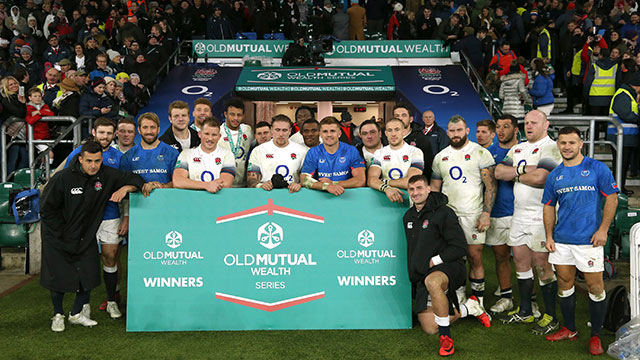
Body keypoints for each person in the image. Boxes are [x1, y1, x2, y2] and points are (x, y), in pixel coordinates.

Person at [41, 140, 145, 332]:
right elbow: (46, 209)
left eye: (97, 161)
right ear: (80, 159)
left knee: (89, 275)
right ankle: (58, 314)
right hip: (57, 235)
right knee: (58, 278)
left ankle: (75, 314)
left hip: (86, 235)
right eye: (89, 161)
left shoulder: (106, 176)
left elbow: (135, 179)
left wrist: (126, 188)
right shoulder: (63, 178)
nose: (93, 165)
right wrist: (61, 234)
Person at [542, 126, 618, 356]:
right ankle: (570, 328)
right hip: (562, 240)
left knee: (595, 287)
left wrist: (603, 229)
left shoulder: (596, 168)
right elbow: (548, 206)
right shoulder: (555, 175)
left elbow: (612, 199)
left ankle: (595, 335)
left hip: (589, 241)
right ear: (558, 144)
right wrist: (548, 236)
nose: (567, 147)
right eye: (563, 142)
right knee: (565, 283)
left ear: (580, 144)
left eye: (571, 143)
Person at [404, 174, 489, 357]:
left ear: (428, 189)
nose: (415, 193)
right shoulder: (408, 216)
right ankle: (469, 307)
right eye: (411, 189)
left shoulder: (444, 212)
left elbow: (459, 247)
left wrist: (436, 260)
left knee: (433, 282)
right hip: (423, 275)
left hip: (449, 267)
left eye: (419, 188)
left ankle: (446, 339)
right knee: (429, 328)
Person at [495, 110, 561, 335]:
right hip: (519, 214)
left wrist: (514, 173)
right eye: (527, 122)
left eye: (534, 122)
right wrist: (525, 171)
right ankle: (525, 311)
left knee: (542, 265)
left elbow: (542, 178)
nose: (529, 126)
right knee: (521, 263)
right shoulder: (517, 148)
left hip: (542, 215)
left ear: (546, 124)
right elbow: (498, 171)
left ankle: (550, 315)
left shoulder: (550, 147)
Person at [431, 115, 496, 317]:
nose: (455, 134)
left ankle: (479, 304)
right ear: (447, 131)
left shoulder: (480, 153)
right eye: (452, 131)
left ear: (466, 131)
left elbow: (491, 186)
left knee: (475, 257)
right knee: (452, 258)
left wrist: (486, 213)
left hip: (473, 214)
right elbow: (435, 188)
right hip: (449, 216)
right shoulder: (440, 156)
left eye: (459, 130)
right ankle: (458, 298)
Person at [64, 118, 127, 318]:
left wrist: (125, 212)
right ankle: (83, 305)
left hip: (109, 214)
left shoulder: (118, 157)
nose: (105, 137)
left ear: (114, 134)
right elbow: (65, 182)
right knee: (85, 259)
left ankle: (111, 301)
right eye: (101, 132)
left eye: (109, 133)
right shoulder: (77, 154)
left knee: (110, 256)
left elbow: (126, 185)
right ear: (93, 131)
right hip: (83, 218)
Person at [486, 114, 519, 314]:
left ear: (515, 129)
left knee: (526, 259)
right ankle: (506, 296)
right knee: (501, 257)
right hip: (497, 212)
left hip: (520, 213)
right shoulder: (488, 153)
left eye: (505, 126)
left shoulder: (524, 150)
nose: (501, 130)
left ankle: (529, 301)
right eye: (498, 126)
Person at [300, 116, 366, 196]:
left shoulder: (351, 151)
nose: (329, 135)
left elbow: (360, 180)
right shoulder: (313, 152)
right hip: (321, 197)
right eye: (325, 131)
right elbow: (304, 179)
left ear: (339, 133)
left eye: (332, 131)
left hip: (346, 196)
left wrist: (333, 183)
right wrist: (326, 186)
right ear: (320, 134)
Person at [367, 118, 423, 203]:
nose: (393, 134)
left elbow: (412, 181)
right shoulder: (379, 153)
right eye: (390, 130)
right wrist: (387, 188)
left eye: (397, 130)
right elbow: (371, 180)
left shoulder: (415, 152)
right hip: (386, 200)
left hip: (410, 201)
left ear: (404, 132)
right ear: (385, 133)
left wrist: (385, 182)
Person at [173, 117, 236, 193]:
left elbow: (226, 184)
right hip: (193, 200)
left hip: (218, 200)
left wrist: (192, 184)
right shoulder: (186, 154)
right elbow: (178, 181)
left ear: (219, 136)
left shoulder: (227, 155)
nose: (210, 138)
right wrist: (206, 185)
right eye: (206, 134)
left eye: (214, 135)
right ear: (199, 134)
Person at [247, 115, 307, 192]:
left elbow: (308, 177)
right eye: (277, 130)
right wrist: (260, 185)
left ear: (290, 131)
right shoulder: (258, 151)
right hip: (266, 193)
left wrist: (300, 185)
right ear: (271, 130)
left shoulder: (302, 151)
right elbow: (251, 180)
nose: (281, 134)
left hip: (292, 194)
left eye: (284, 130)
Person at [120, 112, 179, 190]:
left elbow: (178, 182)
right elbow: (123, 183)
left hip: (165, 200)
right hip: (137, 201)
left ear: (158, 129)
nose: (149, 131)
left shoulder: (172, 153)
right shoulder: (128, 156)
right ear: (139, 130)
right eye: (145, 127)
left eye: (152, 127)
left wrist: (162, 186)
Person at [608, 72, 640, 196]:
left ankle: (620, 188)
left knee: (623, 164)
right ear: (635, 85)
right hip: (620, 136)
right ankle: (616, 189)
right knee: (620, 165)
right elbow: (626, 114)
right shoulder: (622, 94)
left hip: (626, 137)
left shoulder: (627, 95)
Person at [217, 98, 254, 187]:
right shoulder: (218, 132)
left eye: (239, 115)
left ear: (243, 115)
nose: (235, 118)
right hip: (222, 184)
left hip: (242, 184)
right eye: (232, 114)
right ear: (225, 114)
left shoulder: (248, 130)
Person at [392, 103, 434, 180]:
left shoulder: (421, 139)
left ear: (411, 119)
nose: (400, 118)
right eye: (397, 116)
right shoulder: (386, 138)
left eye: (404, 115)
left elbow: (428, 166)